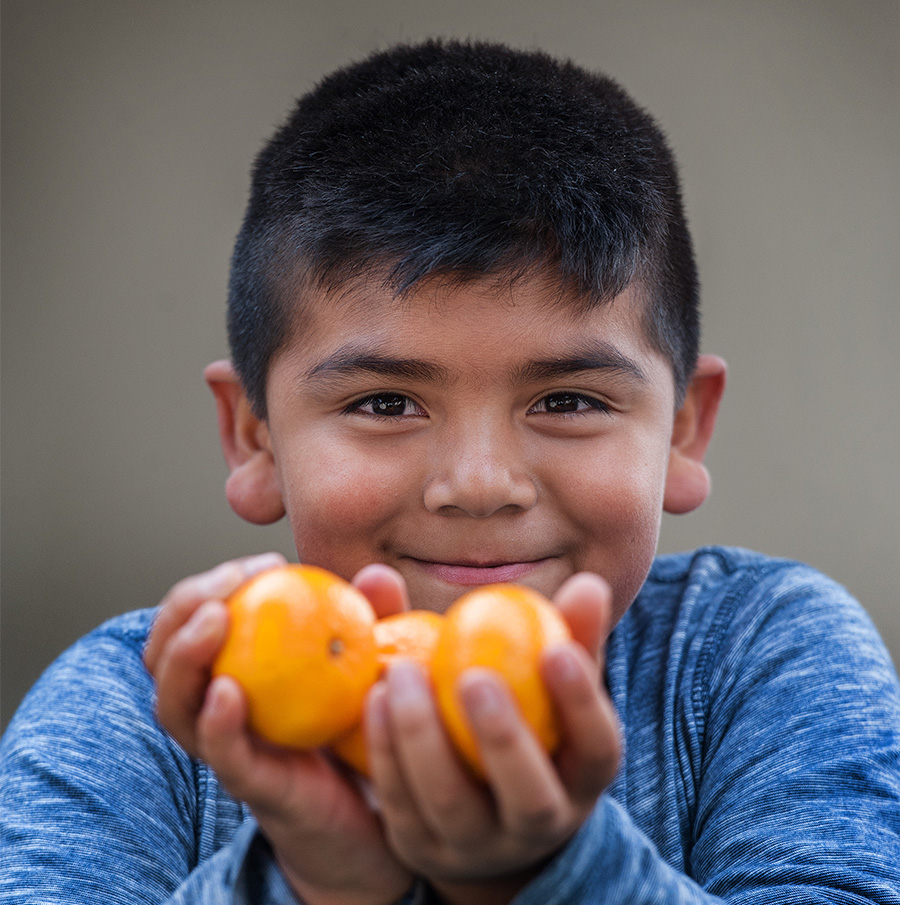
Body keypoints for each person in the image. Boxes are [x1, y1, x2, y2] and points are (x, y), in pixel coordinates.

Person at [2, 38, 898, 905]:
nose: (479, 482)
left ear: (683, 429)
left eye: (570, 400)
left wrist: (551, 871)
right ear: (255, 438)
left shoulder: (754, 656)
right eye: (387, 403)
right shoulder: (144, 708)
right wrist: (319, 880)